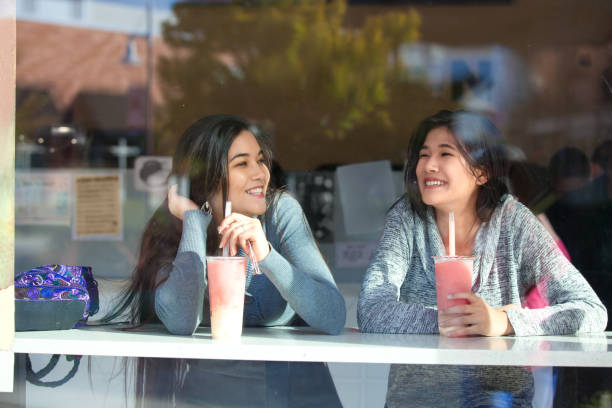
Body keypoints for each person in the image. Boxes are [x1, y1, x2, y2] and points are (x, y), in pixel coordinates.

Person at [357, 110, 607, 407]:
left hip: (501, 399)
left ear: (482, 172)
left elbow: (590, 310)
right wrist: (453, 321)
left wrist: (504, 321)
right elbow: (372, 308)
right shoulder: (407, 218)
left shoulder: (513, 221)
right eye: (424, 155)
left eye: (445, 154)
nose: (429, 166)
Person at [106, 114, 346, 407]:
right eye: (242, 164)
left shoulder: (280, 214)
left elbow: (333, 316)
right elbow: (182, 321)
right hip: (210, 395)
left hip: (294, 394)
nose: (261, 173)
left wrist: (267, 255)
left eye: (260, 160)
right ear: (209, 177)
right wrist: (194, 222)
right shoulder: (178, 229)